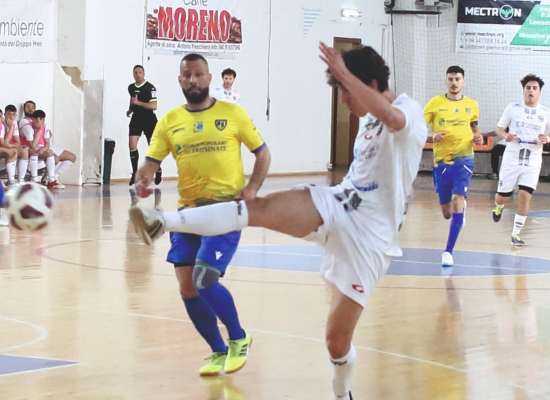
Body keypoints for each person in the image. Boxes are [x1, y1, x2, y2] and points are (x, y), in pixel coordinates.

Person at [129, 43, 427, 400]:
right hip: (339, 203)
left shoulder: (408, 111)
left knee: (336, 342)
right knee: (255, 208)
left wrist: (346, 74)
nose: (345, 100)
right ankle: (161, 221)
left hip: (370, 237)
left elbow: (395, 120)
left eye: (345, 90)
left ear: (371, 84)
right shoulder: (367, 117)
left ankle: (341, 395)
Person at [129, 53, 271, 377]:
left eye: (198, 74)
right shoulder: (169, 121)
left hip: (225, 211)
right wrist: (143, 180)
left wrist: (252, 188)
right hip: (189, 213)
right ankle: (218, 350)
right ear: (180, 81)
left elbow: (263, 154)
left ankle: (238, 337)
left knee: (204, 279)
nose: (193, 80)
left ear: (209, 78)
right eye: (187, 75)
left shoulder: (233, 114)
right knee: (187, 287)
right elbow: (150, 163)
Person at [424, 66, 483, 267]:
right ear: (446, 81)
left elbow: (475, 128)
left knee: (458, 198)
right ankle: (459, 213)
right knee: (447, 212)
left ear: (463, 81)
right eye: (450, 79)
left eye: (457, 79)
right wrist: (432, 135)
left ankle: (448, 252)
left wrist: (477, 137)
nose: (454, 82)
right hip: (441, 161)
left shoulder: (472, 105)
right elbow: (419, 129)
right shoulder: (435, 103)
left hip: (464, 158)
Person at [492, 74, 550, 246]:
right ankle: (499, 206)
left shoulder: (545, 113)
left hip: (533, 158)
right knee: (503, 196)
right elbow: (499, 129)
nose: (531, 91)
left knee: (525, 195)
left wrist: (547, 139)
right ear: (523, 90)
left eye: (534, 88)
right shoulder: (513, 108)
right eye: (528, 88)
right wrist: (506, 136)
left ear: (540, 92)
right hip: (513, 155)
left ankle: (516, 233)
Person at [127, 65, 161, 186]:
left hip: (149, 119)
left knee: (152, 147)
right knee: (132, 144)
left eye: (140, 72)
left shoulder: (150, 88)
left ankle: (158, 170)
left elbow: (154, 106)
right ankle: (135, 173)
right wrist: (131, 109)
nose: (138, 75)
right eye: (135, 73)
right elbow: (133, 100)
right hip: (136, 118)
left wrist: (139, 103)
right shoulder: (131, 87)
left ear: (144, 73)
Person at [20, 110, 63, 189]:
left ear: (43, 120)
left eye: (41, 118)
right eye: (36, 118)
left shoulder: (46, 127)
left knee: (50, 152)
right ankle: (34, 179)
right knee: (34, 151)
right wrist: (38, 132)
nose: (38, 120)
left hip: (39, 147)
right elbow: (33, 145)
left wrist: (43, 150)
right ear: (32, 119)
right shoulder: (28, 127)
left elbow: (47, 143)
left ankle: (51, 180)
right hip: (26, 147)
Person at [1, 105, 21, 185]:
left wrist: (10, 146)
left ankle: (19, 180)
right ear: (5, 115)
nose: (11, 117)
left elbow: (18, 142)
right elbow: (3, 143)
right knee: (12, 152)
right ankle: (11, 180)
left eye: (13, 114)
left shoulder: (14, 123)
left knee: (23, 152)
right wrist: (11, 128)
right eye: (9, 114)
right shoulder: (2, 124)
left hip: (6, 147)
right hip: (2, 147)